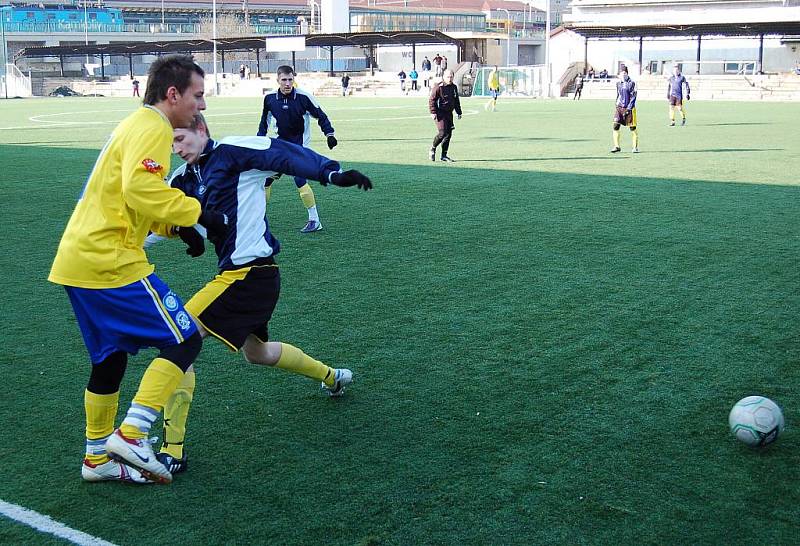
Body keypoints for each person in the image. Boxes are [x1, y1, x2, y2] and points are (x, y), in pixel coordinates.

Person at [152, 114, 373, 473]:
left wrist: (331, 172)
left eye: (182, 138)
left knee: (179, 339)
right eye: (172, 142)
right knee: (258, 353)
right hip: (250, 277)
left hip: (249, 274)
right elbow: (159, 215)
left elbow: (283, 153)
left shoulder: (234, 152)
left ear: (202, 130)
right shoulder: (182, 179)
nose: (178, 149)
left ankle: (172, 451)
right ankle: (333, 377)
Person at [48, 54, 228, 486]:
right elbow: (141, 188)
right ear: (173, 94)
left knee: (110, 358)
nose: (201, 106)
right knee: (184, 339)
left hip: (79, 260)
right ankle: (132, 434)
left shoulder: (135, 124)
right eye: (197, 95)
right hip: (110, 262)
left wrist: (173, 227)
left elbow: (129, 198)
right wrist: (199, 215)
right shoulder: (153, 126)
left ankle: (97, 457)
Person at [257, 65, 337, 233]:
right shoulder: (270, 98)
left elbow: (321, 116)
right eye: (284, 80)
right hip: (279, 146)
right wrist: (259, 141)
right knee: (266, 180)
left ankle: (315, 220)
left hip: (299, 148)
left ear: (294, 79)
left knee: (300, 180)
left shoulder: (304, 97)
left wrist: (329, 134)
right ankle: (258, 219)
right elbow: (264, 121)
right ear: (277, 80)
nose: (287, 83)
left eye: (290, 79)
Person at [428, 68, 462, 163]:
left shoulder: (454, 87)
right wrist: (433, 112)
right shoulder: (439, 87)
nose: (450, 78)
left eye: (451, 76)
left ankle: (444, 155)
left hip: (449, 113)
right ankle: (433, 148)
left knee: (448, 134)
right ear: (444, 77)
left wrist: (459, 112)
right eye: (448, 77)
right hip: (439, 113)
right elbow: (432, 100)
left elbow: (456, 101)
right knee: (442, 133)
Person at [610, 66, 639, 154]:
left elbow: (633, 97)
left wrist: (629, 108)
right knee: (615, 126)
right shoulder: (618, 83)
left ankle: (635, 147)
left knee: (632, 128)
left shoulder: (632, 83)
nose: (623, 75)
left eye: (624, 73)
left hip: (629, 108)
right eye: (621, 73)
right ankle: (617, 146)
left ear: (627, 73)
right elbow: (618, 95)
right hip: (619, 108)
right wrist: (616, 104)